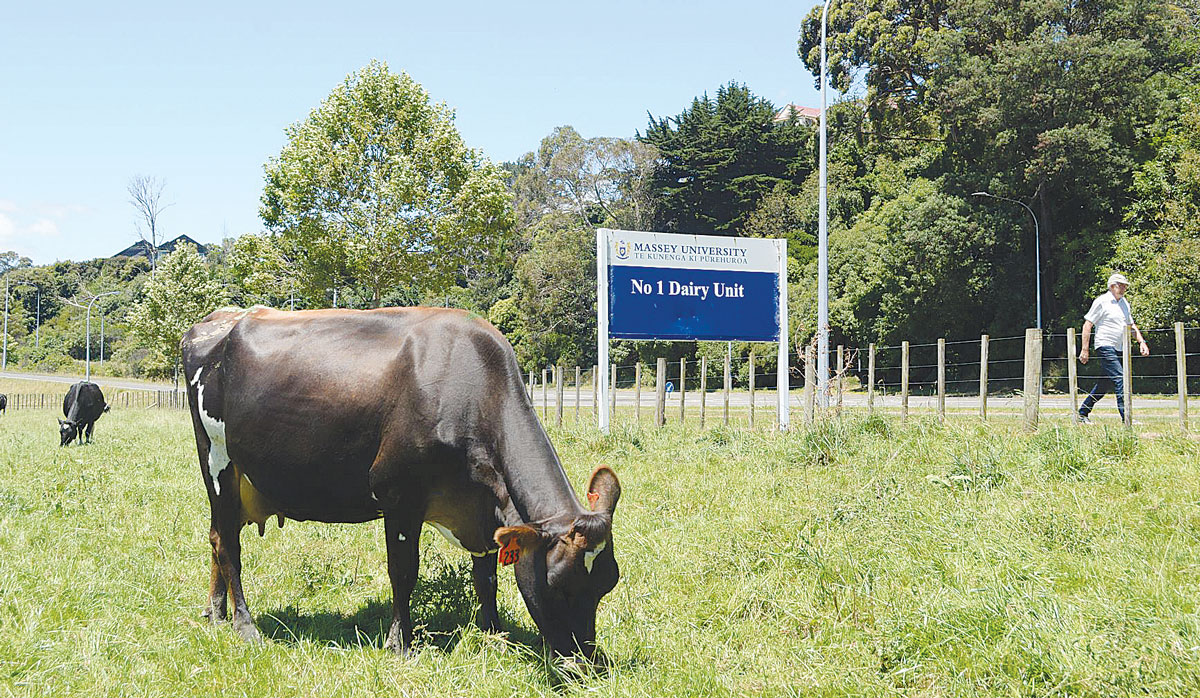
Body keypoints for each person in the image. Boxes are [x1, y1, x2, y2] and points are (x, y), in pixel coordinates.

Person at [1077, 272, 1149, 423]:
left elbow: (1131, 325)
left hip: (1119, 348)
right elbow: (1087, 324)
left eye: (1125, 286)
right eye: (1120, 285)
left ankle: (1082, 412)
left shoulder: (1124, 303)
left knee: (1104, 384)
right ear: (1112, 286)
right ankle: (1127, 418)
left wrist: (1141, 342)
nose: (1123, 288)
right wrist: (1085, 349)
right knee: (1120, 379)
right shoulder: (1102, 301)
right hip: (1105, 345)